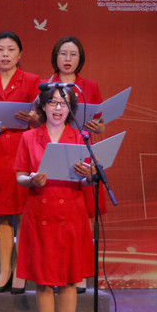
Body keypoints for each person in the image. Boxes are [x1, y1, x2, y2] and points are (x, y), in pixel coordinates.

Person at [15, 87, 95, 312]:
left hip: (71, 212)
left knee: (70, 280)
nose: (58, 108)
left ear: (70, 108)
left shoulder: (81, 138)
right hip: (41, 212)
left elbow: (87, 179)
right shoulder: (29, 137)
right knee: (43, 281)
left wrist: (89, 176)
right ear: (43, 107)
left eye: (64, 103)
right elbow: (20, 176)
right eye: (53, 103)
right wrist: (31, 179)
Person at [0, 31, 41, 294]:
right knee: (3, 215)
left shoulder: (33, 80)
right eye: (0, 49)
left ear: (20, 54)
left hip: (23, 151)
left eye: (11, 49)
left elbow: (43, 118)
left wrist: (33, 117)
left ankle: (21, 270)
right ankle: (4, 271)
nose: (5, 54)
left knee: (24, 214)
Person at [48, 35, 106, 293]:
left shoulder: (89, 86)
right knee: (56, 213)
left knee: (84, 214)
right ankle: (55, 272)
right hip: (55, 148)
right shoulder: (45, 85)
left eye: (73, 54)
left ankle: (80, 273)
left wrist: (99, 127)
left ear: (80, 58)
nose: (68, 59)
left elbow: (100, 122)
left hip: (82, 150)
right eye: (63, 53)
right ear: (55, 57)